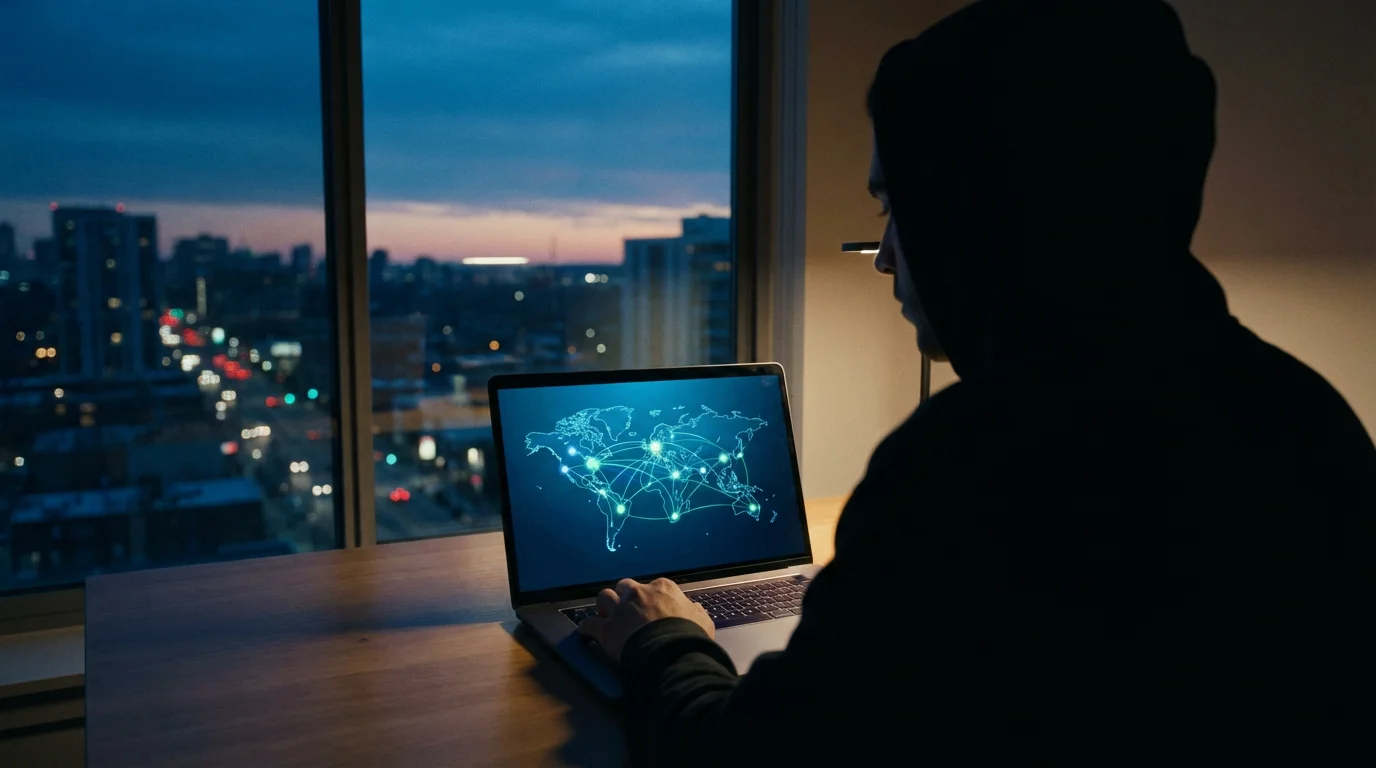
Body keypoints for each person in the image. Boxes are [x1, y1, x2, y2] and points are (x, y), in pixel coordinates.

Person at [578, 0, 1376, 762]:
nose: (885, 254)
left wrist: (664, 637)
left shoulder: (965, 476)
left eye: (901, 206)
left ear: (977, 213)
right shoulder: (1307, 418)